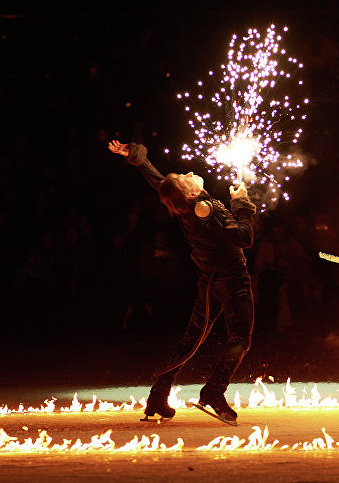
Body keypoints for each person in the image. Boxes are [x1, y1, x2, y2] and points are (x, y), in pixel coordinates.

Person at [108, 139, 256, 425]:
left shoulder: (184, 202)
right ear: (190, 194)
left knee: (192, 338)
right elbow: (245, 237)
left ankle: (157, 395)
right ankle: (213, 391)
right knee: (240, 338)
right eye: (186, 179)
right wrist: (241, 203)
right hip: (231, 280)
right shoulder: (204, 210)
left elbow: (159, 182)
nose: (189, 174)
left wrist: (136, 157)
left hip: (210, 280)